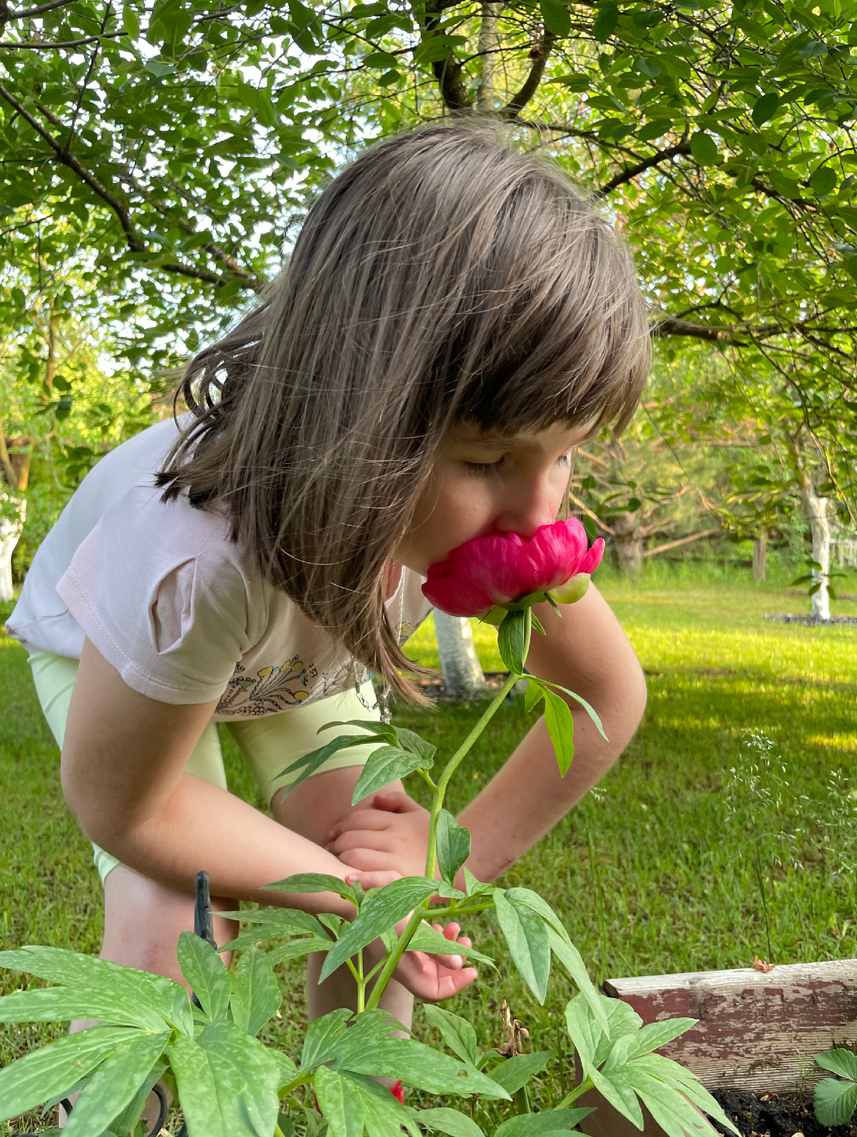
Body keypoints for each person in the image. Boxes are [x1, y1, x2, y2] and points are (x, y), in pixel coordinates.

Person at [7, 121, 650, 1108]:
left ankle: (362, 1111)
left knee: (379, 891)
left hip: (294, 670)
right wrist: (339, 893)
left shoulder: (512, 519)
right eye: (486, 461)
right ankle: (132, 1114)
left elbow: (606, 691)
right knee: (180, 910)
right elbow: (130, 806)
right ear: (353, 412)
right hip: (123, 656)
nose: (537, 512)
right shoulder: (192, 548)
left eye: (562, 455)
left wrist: (443, 866)